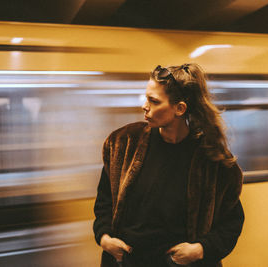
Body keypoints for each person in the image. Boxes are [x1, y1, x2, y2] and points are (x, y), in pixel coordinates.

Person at [93, 63, 244, 267]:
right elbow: (104, 201)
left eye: (153, 101)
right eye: (146, 97)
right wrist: (104, 238)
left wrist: (199, 250)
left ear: (179, 109)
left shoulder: (212, 160)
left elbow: (231, 223)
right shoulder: (124, 144)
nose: (144, 106)